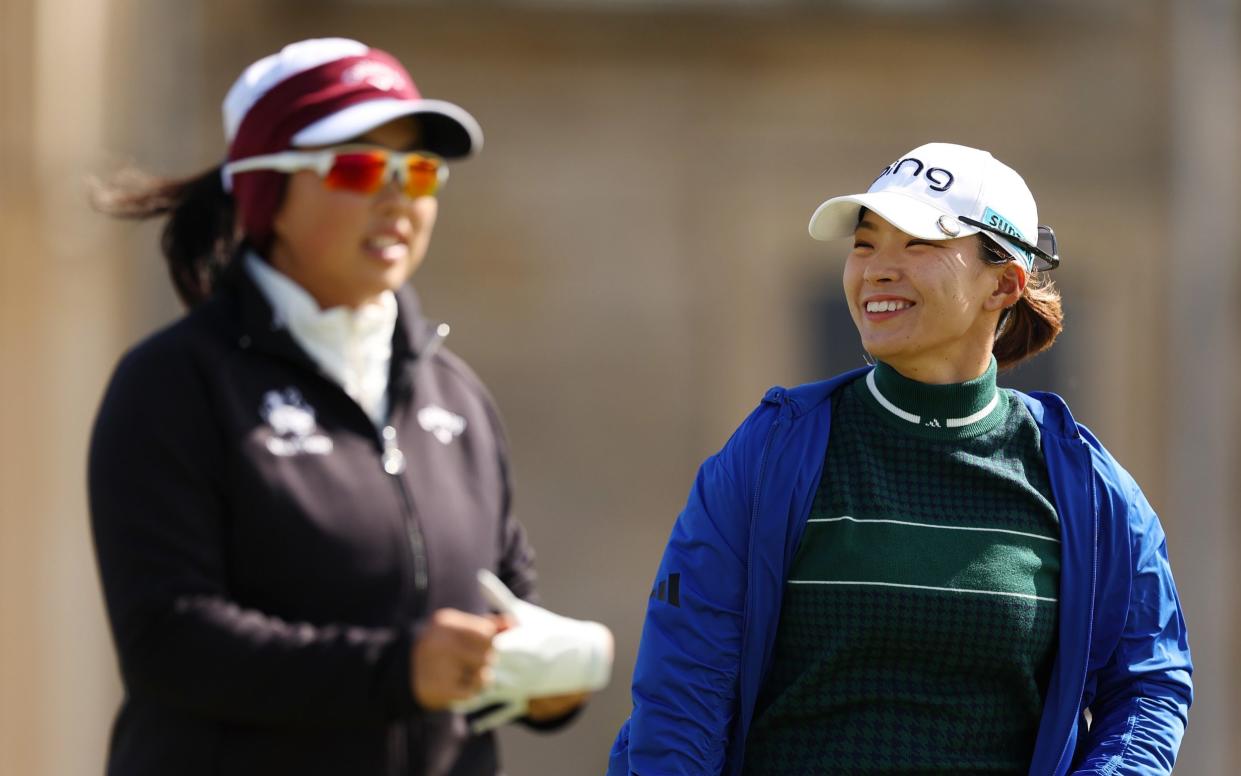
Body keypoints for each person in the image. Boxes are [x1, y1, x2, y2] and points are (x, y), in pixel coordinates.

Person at [89, 38, 611, 776]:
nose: (397, 196)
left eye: (419, 172)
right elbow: (169, 643)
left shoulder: (454, 396)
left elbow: (506, 601)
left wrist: (552, 679)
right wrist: (398, 671)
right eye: (360, 167)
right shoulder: (174, 382)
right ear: (266, 191)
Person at [607, 142, 1192, 775]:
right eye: (864, 244)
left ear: (1004, 283)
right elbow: (682, 687)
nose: (877, 270)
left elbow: (1147, 684)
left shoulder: (1087, 486)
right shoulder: (771, 451)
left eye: (918, 243)